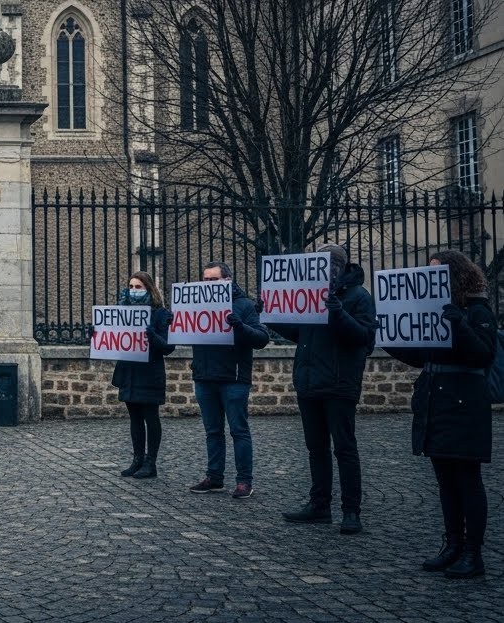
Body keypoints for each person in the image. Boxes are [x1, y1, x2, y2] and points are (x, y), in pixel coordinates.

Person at [383, 249, 494, 579]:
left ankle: (473, 553)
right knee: (445, 481)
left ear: (455, 275)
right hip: (436, 403)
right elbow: (422, 356)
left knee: (467, 480)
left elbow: (482, 354)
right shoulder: (430, 310)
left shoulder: (477, 309)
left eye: (437, 272)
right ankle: (452, 545)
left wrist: (459, 323)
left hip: (464, 406)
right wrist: (388, 335)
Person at [269, 243, 376, 535]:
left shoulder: (358, 296)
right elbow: (299, 332)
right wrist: (271, 316)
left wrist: (337, 311)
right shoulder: (310, 295)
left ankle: (351, 511)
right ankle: (319, 505)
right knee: (316, 448)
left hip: (339, 384)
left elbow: (364, 338)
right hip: (309, 382)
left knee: (344, 448)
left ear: (338, 266)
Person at [188, 261, 269, 499]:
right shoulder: (196, 304)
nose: (209, 284)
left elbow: (261, 338)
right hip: (204, 376)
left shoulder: (243, 305)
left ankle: (244, 481)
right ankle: (215, 477)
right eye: (206, 280)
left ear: (228, 281)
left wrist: (240, 326)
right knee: (212, 431)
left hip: (233, 379)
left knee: (238, 431)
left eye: (214, 280)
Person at [106, 271, 174, 479]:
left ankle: (150, 462)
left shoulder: (161, 314)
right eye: (131, 287)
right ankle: (137, 459)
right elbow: (112, 338)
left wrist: (151, 335)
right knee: (134, 418)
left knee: (150, 417)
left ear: (149, 289)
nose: (134, 291)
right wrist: (98, 332)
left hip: (149, 371)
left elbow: (168, 348)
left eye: (139, 287)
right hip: (129, 371)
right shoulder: (122, 311)